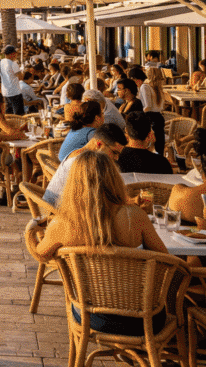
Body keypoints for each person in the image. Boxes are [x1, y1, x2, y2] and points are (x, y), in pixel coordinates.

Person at [31, 151, 168, 337]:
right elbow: (167, 260)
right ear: (114, 180)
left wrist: (30, 232)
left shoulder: (62, 224)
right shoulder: (134, 216)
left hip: (93, 317)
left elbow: (41, 254)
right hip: (145, 319)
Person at [44, 123, 129, 208]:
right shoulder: (85, 163)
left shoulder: (80, 153)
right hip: (58, 213)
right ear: (99, 144)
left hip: (57, 206)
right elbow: (96, 200)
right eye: (114, 152)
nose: (117, 158)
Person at [138, 67, 167, 155]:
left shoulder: (145, 86)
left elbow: (147, 106)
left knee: (149, 144)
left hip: (150, 117)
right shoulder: (158, 88)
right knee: (159, 144)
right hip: (159, 117)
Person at [0, 45, 25, 115]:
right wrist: (23, 71)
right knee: (19, 115)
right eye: (16, 53)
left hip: (5, 92)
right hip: (15, 92)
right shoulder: (13, 63)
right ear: (12, 53)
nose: (16, 55)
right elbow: (21, 77)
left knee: (8, 115)